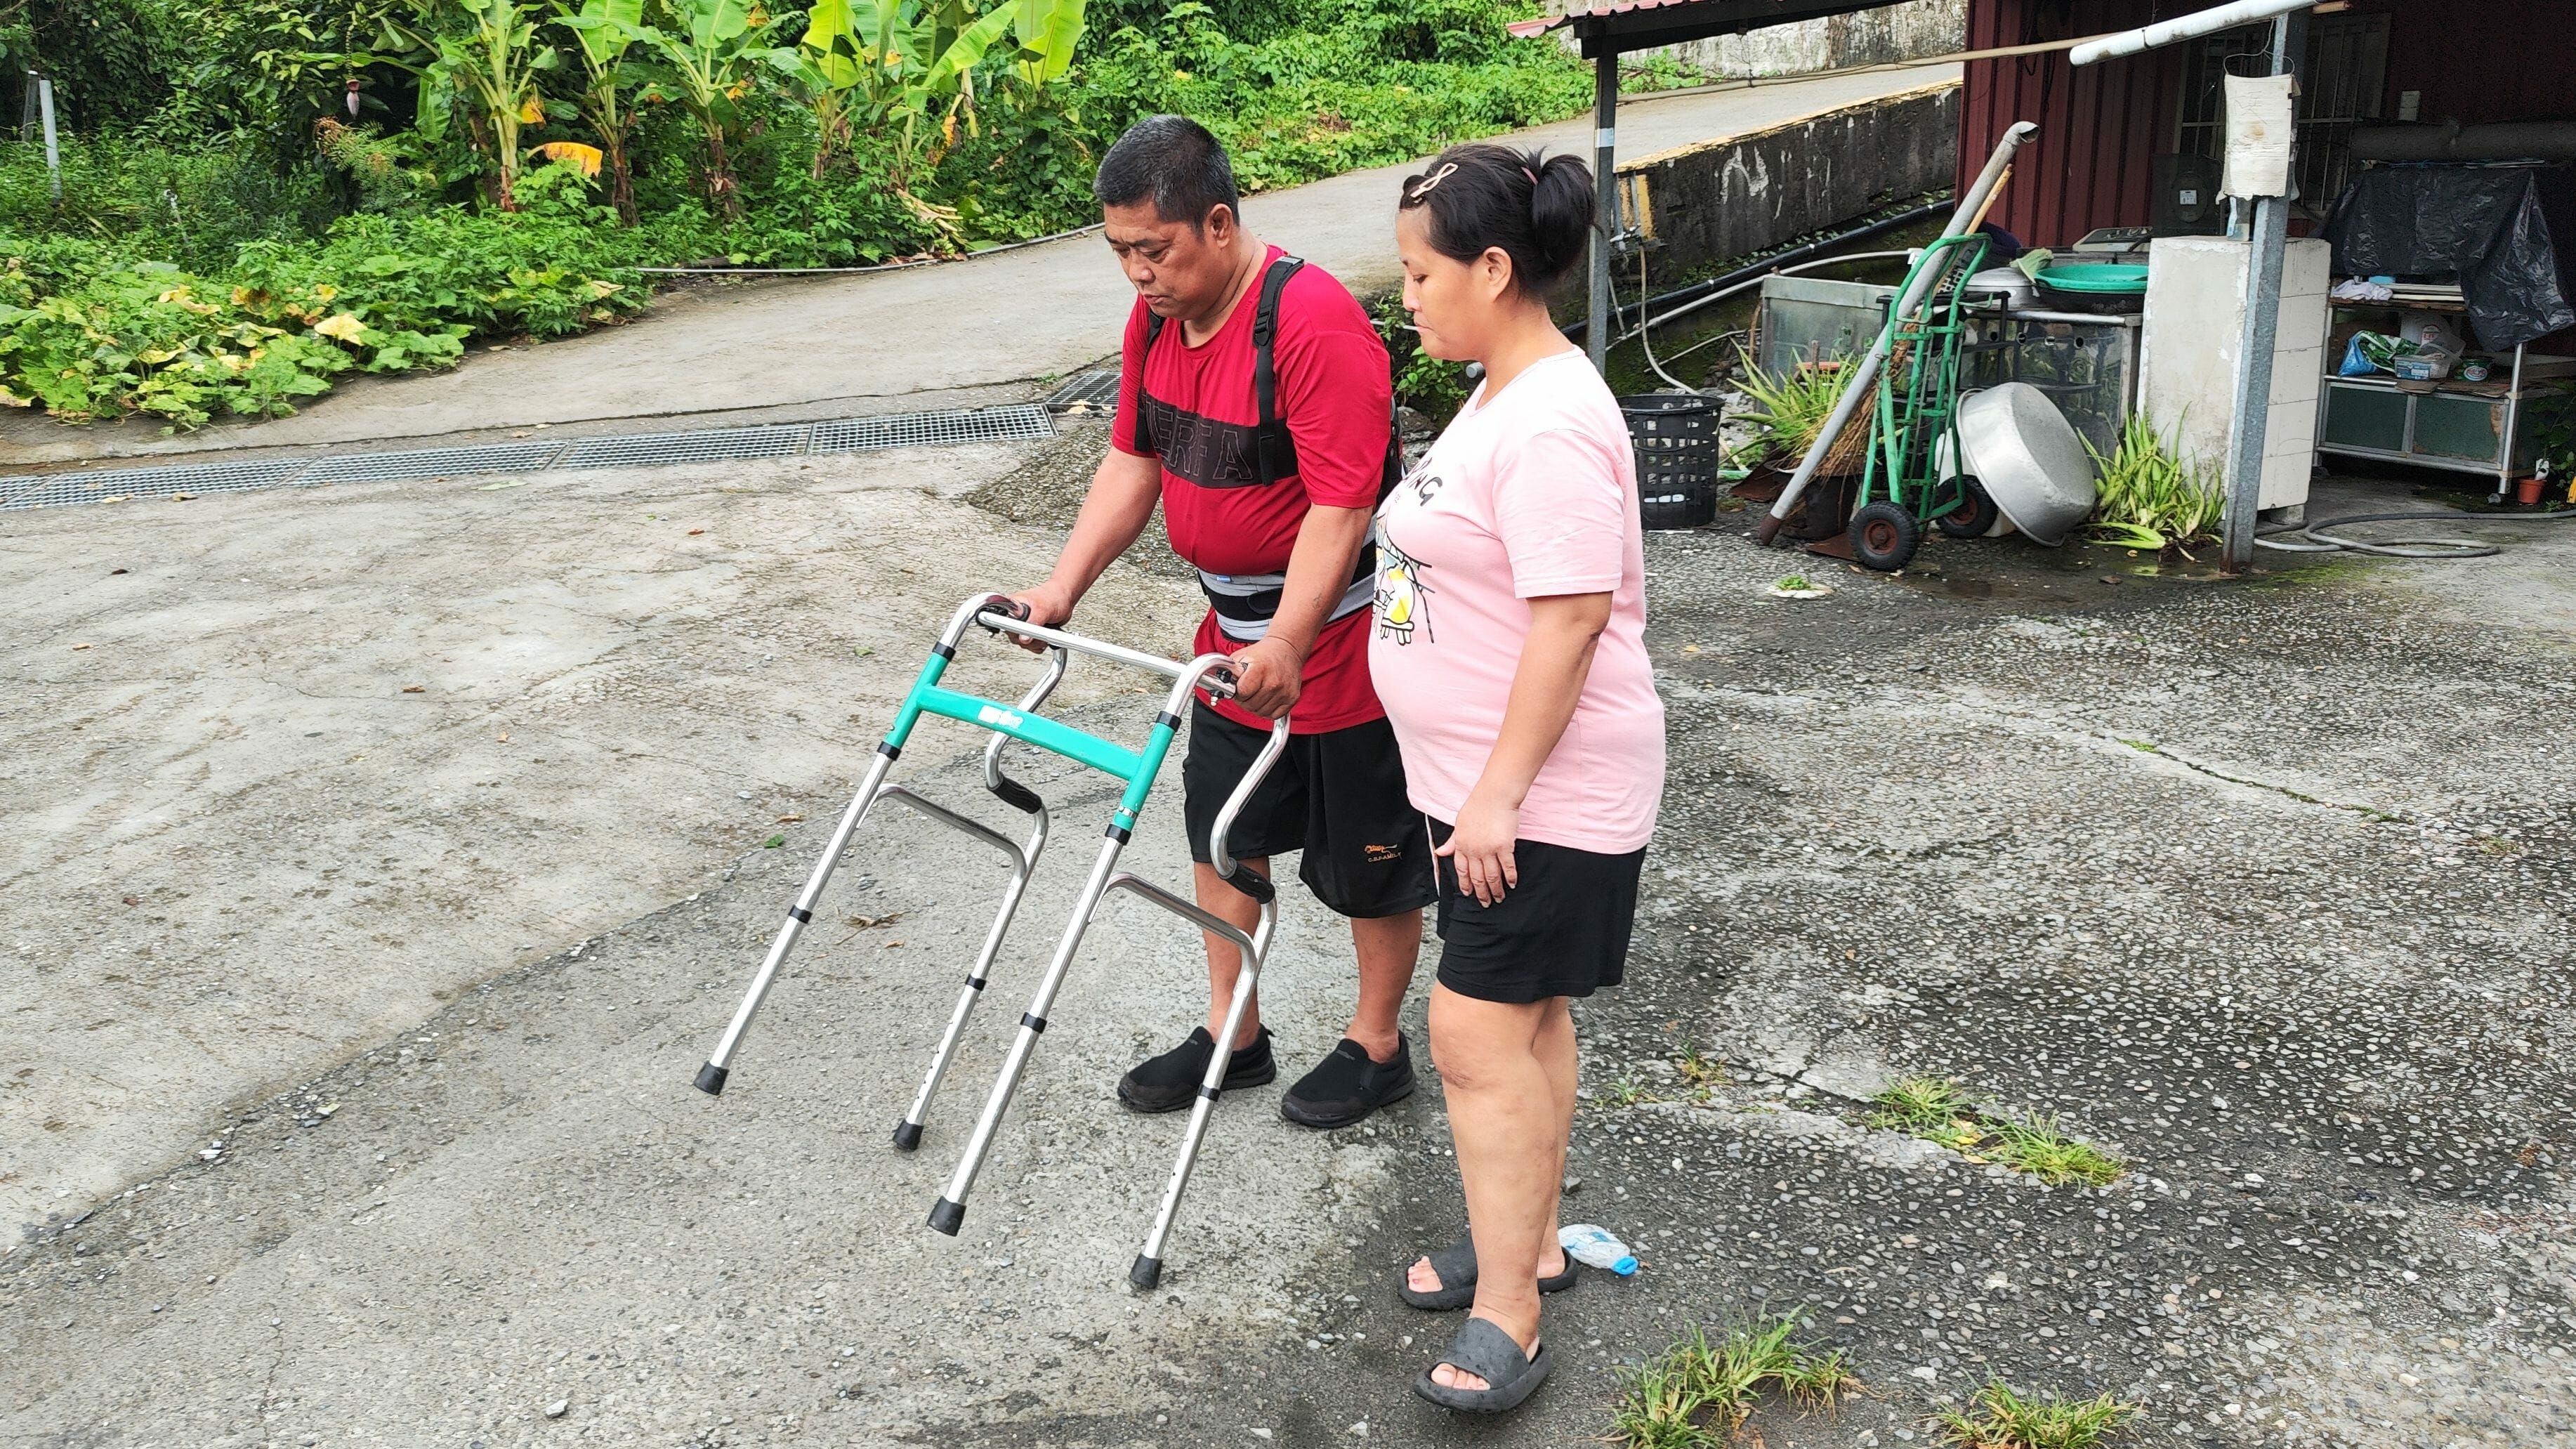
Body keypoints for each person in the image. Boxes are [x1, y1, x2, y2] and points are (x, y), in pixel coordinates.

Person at [1007, 116, 1435, 1129]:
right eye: (1120, 254)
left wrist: (1288, 639)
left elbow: (1341, 505)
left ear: (1221, 223)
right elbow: (1134, 461)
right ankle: (1233, 1031)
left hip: (1343, 642)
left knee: (1366, 862)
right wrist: (1062, 588)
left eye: (1155, 251)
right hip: (1231, 646)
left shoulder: (1311, 323)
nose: (1138, 275)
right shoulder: (1156, 322)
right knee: (1222, 836)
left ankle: (1377, 1045)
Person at [1369, 143, 1666, 1412]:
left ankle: (1511, 1309)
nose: (1407, 297)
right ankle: (1526, 1242)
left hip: (1536, 799)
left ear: (1494, 268)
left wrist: (1493, 796)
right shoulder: (1503, 385)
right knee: (1530, 1018)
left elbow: (1570, 621)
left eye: (1419, 274)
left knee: (1476, 1031)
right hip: (1490, 789)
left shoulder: (1547, 419)